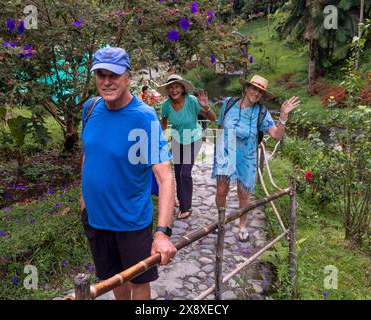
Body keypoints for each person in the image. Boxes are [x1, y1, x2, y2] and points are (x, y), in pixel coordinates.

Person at [80, 47, 177, 300]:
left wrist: (162, 233)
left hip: (130, 222)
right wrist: (83, 202)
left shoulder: (143, 117)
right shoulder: (90, 109)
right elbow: (88, 154)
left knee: (138, 281)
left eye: (114, 74)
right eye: (101, 74)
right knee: (113, 280)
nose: (107, 81)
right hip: (96, 220)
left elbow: (165, 177)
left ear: (128, 77)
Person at [213, 75, 300, 242]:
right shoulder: (229, 103)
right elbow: (220, 125)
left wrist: (283, 116)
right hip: (225, 152)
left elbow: (276, 135)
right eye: (254, 88)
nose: (256, 93)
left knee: (244, 193)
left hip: (247, 156)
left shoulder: (261, 112)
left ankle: (242, 226)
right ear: (246, 89)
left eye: (260, 91)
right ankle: (221, 220)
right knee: (221, 191)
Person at [157, 74, 216, 220]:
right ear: (168, 90)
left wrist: (206, 107)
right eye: (171, 87)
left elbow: (213, 118)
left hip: (194, 138)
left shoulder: (192, 101)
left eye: (176, 86)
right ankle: (180, 200)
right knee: (177, 173)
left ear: (182, 88)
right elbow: (163, 123)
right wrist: (160, 139)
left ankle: (186, 207)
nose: (174, 90)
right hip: (177, 140)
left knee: (185, 173)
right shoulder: (165, 106)